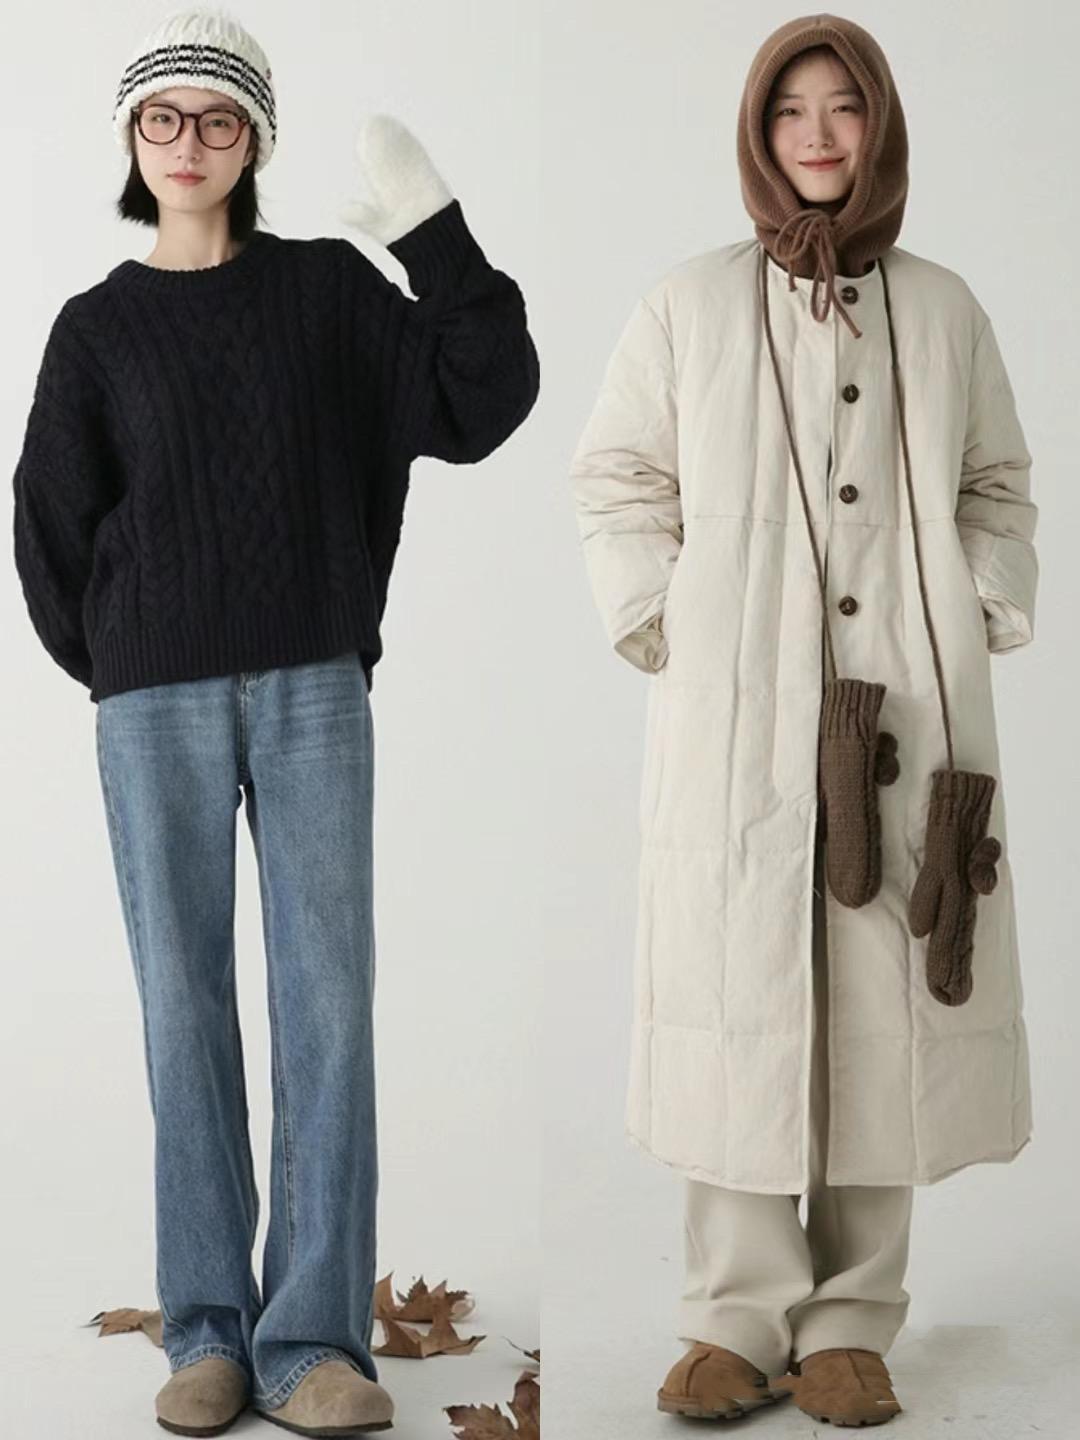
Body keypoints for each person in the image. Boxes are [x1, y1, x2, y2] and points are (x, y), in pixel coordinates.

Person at [12, 6, 539, 1437]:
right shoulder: (95, 329)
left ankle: (309, 1340)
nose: (188, 142)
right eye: (163, 118)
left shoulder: (327, 291)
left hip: (312, 684)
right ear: (132, 139)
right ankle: (205, 1330)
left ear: (255, 142)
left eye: (218, 119)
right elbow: (50, 529)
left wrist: (432, 234)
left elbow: (486, 398)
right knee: (182, 1009)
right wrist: (127, 661)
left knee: (327, 1004)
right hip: (152, 702)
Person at [569, 12, 1036, 1428]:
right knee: (737, 994)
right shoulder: (687, 305)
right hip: (741, 719)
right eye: (792, 110)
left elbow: (998, 483)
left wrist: (974, 604)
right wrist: (671, 623)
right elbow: (617, 476)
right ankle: (734, 1311)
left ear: (879, 127)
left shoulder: (945, 309)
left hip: (910, 711)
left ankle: (851, 1319)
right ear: (758, 133)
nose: (819, 134)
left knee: (892, 987)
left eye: (845, 108)